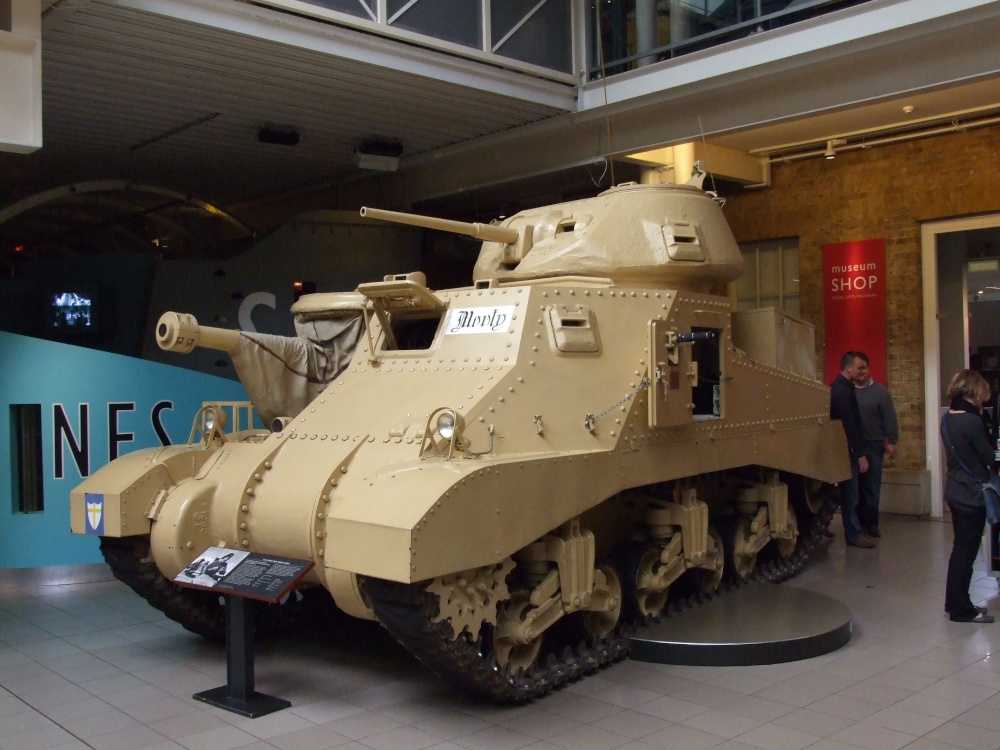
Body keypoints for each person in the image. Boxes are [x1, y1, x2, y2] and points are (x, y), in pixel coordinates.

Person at [941, 369, 996, 623]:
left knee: (959, 549)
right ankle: (961, 609)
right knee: (966, 551)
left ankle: (955, 601)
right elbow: (986, 456)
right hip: (971, 493)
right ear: (974, 392)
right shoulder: (972, 421)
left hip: (954, 488)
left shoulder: (948, 418)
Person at [830, 352, 874, 548]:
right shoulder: (843, 391)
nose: (861, 371)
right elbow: (848, 425)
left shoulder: (840, 388)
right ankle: (854, 534)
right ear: (848, 368)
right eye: (859, 367)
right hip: (845, 450)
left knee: (848, 492)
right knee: (851, 493)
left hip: (841, 448)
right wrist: (859, 453)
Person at [853, 352, 899, 538]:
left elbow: (889, 417)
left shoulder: (881, 392)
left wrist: (892, 441)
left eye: (864, 367)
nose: (861, 372)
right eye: (858, 368)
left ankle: (872, 524)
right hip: (853, 448)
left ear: (869, 368)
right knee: (855, 488)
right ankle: (856, 524)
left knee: (872, 487)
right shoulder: (847, 392)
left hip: (874, 446)